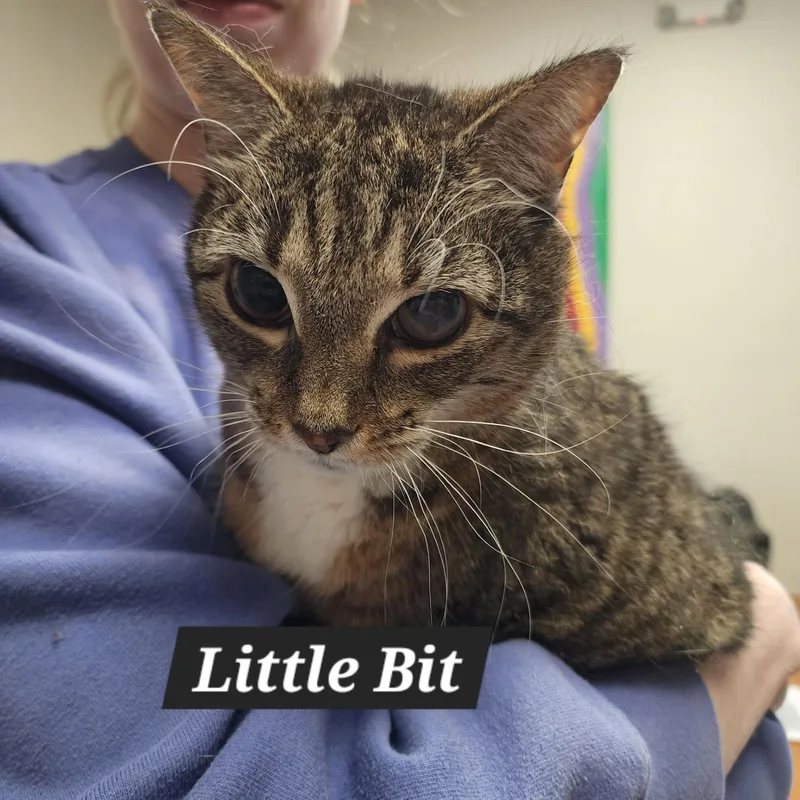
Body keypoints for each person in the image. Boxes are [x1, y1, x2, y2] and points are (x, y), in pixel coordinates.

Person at [0, 1, 797, 797]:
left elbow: (705, 619)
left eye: (429, 313)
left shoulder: (543, 489)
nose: (319, 415)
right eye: (262, 297)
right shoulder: (30, 249)